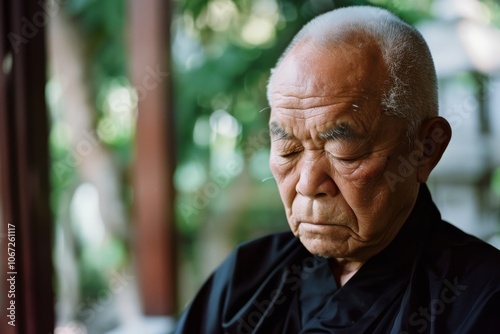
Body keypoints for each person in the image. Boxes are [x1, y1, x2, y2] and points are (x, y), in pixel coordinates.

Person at [174, 6, 500, 334]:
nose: (307, 183)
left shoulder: (480, 300)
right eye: (288, 149)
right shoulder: (245, 279)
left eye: (343, 150)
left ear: (426, 149)